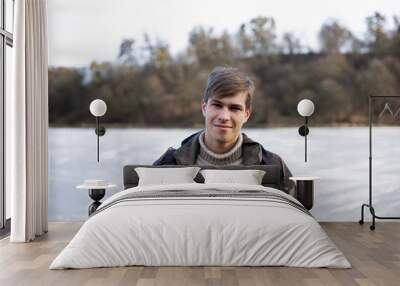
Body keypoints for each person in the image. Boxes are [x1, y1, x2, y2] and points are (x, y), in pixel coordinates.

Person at [153, 67, 295, 197]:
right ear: (204, 108)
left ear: (246, 114)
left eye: (235, 108)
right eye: (217, 105)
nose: (224, 116)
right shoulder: (168, 164)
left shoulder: (273, 166)